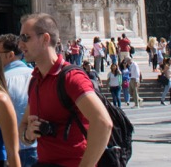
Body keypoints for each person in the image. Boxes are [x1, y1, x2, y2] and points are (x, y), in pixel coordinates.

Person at [19, 13, 113, 167]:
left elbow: (103, 123)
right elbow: (23, 126)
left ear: (45, 39)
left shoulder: (72, 78)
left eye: (25, 38)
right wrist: (27, 134)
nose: (20, 44)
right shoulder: (35, 81)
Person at [0, 34, 37, 167]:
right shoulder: (37, 76)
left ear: (10, 55)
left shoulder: (1, 81)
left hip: (11, 151)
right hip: (37, 147)